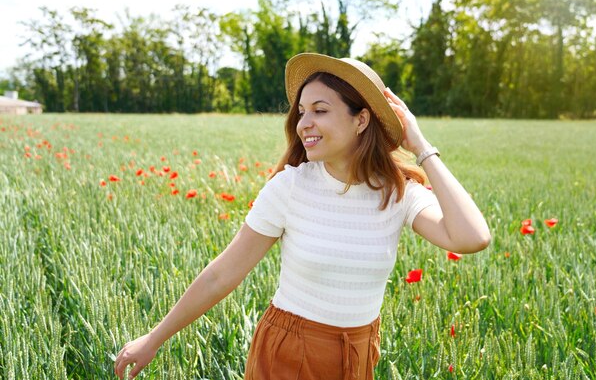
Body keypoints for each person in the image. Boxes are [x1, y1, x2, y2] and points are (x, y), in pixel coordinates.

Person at [114, 53, 491, 380]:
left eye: (320, 111)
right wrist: (154, 338)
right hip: (288, 352)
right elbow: (221, 274)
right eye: (301, 112)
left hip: (357, 354)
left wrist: (421, 147)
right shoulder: (290, 187)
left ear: (361, 120)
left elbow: (472, 238)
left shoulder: (398, 192)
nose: (303, 123)